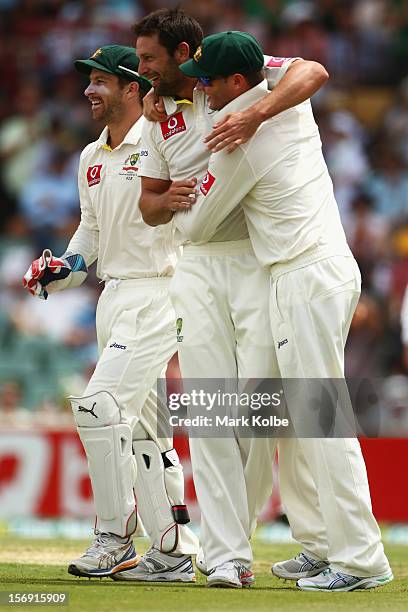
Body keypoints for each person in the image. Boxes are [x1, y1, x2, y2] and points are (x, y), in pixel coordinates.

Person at [175, 30, 393, 592]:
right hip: (309, 272)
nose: (199, 90)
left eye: (207, 82)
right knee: (300, 421)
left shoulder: (240, 135)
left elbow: (197, 225)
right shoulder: (282, 101)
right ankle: (320, 544)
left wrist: (176, 193)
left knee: (323, 421)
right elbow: (307, 70)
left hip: (304, 276)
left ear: (238, 83)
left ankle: (362, 560)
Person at [124, 7, 328, 588]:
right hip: (198, 264)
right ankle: (226, 557)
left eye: (149, 60)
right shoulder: (155, 115)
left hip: (258, 259)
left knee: (266, 408)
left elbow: (311, 70)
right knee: (212, 412)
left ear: (187, 56)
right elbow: (148, 205)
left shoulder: (231, 73)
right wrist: (176, 197)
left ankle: (303, 537)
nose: (142, 72)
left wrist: (255, 116)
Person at [22, 45, 198, 581]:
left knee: (99, 406)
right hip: (114, 297)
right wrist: (64, 267)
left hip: (159, 290)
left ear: (131, 89)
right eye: (88, 82)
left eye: (99, 82)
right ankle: (171, 552)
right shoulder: (90, 158)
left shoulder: (161, 141)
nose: (87, 91)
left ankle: (114, 537)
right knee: (146, 432)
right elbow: (91, 236)